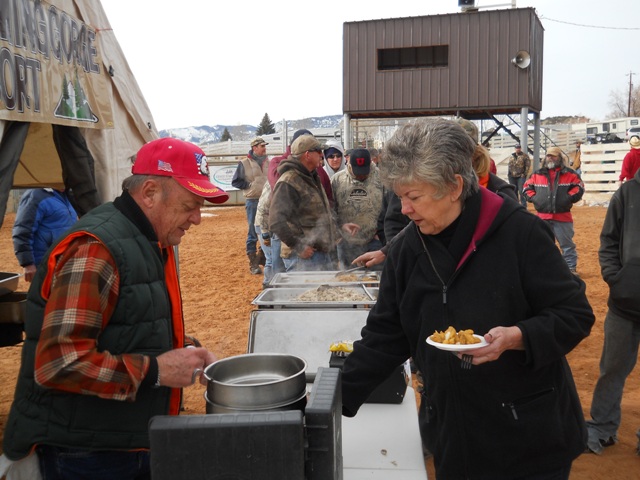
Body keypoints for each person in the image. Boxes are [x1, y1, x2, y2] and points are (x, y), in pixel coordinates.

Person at [340, 118, 595, 479]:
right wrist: (334, 400)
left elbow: (574, 314)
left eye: (414, 197)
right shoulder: (407, 250)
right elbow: (386, 335)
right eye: (400, 197)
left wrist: (518, 337)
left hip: (528, 437)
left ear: (455, 186)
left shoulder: (520, 234)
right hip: (454, 434)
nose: (405, 210)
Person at [2, 138, 229, 479]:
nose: (197, 218)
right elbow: (58, 362)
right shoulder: (97, 250)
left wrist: (182, 351)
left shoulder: (147, 238)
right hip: (82, 455)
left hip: (113, 443)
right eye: (189, 205)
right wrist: (156, 370)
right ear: (150, 192)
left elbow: (124, 324)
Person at [353, 118, 517, 269]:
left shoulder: (502, 197)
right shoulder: (413, 184)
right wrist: (393, 253)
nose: (406, 209)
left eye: (415, 197)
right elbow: (399, 225)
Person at [585, 167, 640, 455]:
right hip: (625, 302)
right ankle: (603, 427)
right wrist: (615, 278)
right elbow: (608, 240)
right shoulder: (628, 192)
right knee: (612, 369)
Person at [268, 129, 334, 272]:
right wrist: (298, 246)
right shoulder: (289, 181)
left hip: (318, 252)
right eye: (318, 151)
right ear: (307, 155)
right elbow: (275, 220)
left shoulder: (312, 177)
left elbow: (320, 213)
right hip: (303, 257)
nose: (321, 155)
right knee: (304, 293)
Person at [523, 146, 584, 275]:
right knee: (543, 245)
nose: (550, 157)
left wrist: (567, 198)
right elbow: (526, 187)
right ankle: (546, 269)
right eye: (548, 155)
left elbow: (579, 187)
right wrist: (535, 199)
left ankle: (570, 269)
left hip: (563, 217)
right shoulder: (536, 174)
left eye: (553, 155)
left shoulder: (570, 174)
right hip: (542, 217)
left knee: (567, 245)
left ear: (560, 158)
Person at [331, 148, 383, 268]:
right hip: (346, 242)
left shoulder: (381, 178)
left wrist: (381, 232)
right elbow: (330, 209)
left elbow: (389, 207)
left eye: (364, 172)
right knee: (349, 280)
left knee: (378, 277)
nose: (361, 176)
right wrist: (338, 230)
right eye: (357, 172)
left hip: (375, 240)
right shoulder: (337, 180)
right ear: (349, 164)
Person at [12, 188, 78, 282]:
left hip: (66, 260)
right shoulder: (35, 195)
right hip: (45, 263)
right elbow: (22, 230)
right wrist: (28, 264)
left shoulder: (66, 195)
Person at [232, 137, 269, 274]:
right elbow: (236, 181)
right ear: (254, 148)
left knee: (266, 229)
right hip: (253, 200)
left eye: (265, 145)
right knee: (253, 231)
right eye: (262, 146)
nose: (264, 148)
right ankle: (253, 262)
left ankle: (263, 257)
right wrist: (249, 186)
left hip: (266, 200)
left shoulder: (268, 162)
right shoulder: (244, 163)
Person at [254, 181, 274, 288]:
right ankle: (267, 285)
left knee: (272, 257)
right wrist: (265, 234)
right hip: (263, 225)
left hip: (269, 224)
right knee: (271, 258)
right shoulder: (272, 183)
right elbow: (262, 210)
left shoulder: (273, 180)